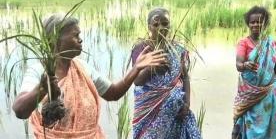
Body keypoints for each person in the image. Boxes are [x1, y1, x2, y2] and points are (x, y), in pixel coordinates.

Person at [12, 14, 168, 139]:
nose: (80, 39)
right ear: (55, 40)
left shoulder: (82, 68)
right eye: (75, 35)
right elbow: (20, 110)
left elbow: (113, 93)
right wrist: (41, 88)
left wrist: (137, 67)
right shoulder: (39, 70)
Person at [131, 7, 201, 139]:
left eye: (165, 23)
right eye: (156, 24)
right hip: (149, 113)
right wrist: (153, 69)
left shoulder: (178, 50)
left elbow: (185, 77)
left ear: (170, 25)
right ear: (149, 27)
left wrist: (187, 103)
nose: (161, 28)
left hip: (176, 112)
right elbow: (137, 80)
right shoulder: (142, 49)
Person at [232, 6, 276, 138]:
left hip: (269, 92)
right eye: (252, 22)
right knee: (249, 123)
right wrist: (245, 65)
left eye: (259, 21)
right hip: (250, 93)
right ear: (248, 24)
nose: (256, 24)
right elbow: (238, 65)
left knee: (269, 124)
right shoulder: (244, 43)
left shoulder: (271, 43)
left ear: (265, 23)